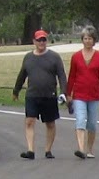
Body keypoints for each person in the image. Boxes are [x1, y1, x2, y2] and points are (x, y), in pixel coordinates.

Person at [11, 29, 68, 158]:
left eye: (43, 40)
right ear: (34, 42)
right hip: (32, 95)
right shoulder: (28, 57)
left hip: (49, 95)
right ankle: (30, 150)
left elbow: (62, 76)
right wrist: (16, 91)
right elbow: (22, 75)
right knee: (29, 121)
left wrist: (64, 92)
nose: (41, 42)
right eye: (39, 40)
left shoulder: (54, 57)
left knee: (50, 123)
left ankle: (48, 150)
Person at [67, 26, 99, 158]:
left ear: (94, 40)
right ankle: (81, 149)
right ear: (82, 40)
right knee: (80, 119)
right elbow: (72, 76)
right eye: (85, 38)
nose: (87, 41)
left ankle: (89, 149)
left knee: (91, 123)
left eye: (90, 38)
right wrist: (69, 94)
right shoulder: (75, 57)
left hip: (94, 95)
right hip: (79, 94)